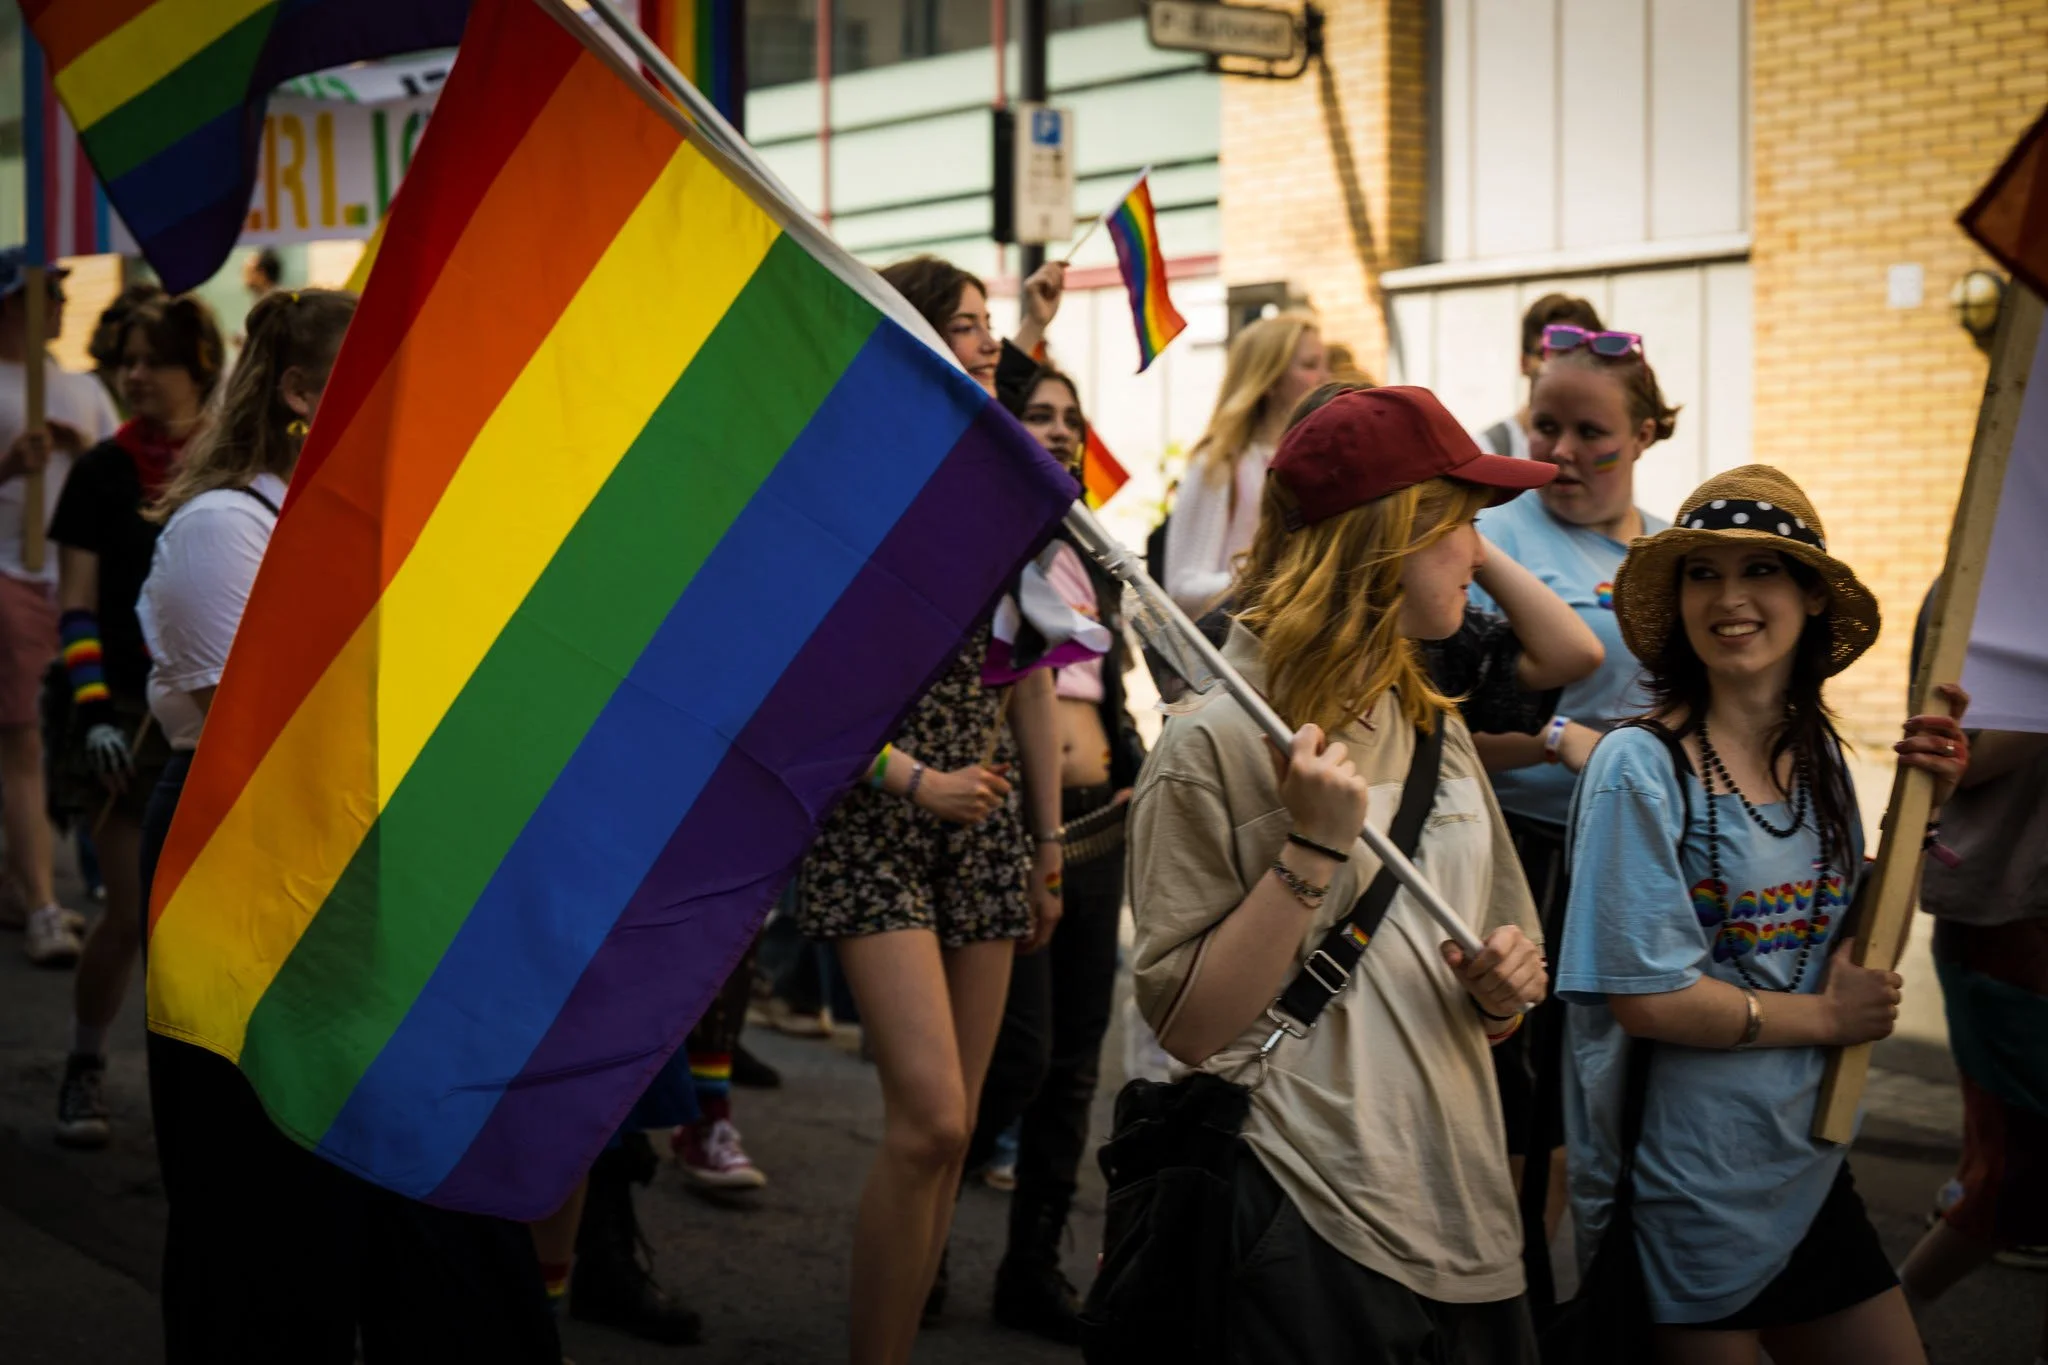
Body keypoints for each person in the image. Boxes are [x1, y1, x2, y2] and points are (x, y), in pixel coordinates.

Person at [136, 288, 560, 1363]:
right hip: (255, 867)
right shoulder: (223, 527)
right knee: (267, 1210)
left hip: (383, 862)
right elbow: (277, 735)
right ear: (298, 393)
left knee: (427, 1198)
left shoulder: (386, 521)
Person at [1128, 385, 1553, 1363]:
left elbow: (1505, 966)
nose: (1479, 554)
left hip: (1465, 1217)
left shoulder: (1431, 719)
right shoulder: (1214, 747)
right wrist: (1310, 851)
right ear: (1384, 540)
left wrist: (1503, 989)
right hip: (1302, 1210)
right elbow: (1188, 1027)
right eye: (1457, 526)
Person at [1558, 465, 1969, 1363]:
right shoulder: (1640, 766)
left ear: (1812, 596)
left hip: (1807, 1162)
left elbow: (1855, 954)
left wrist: (1919, 814)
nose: (1729, 597)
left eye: (1761, 570)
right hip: (1683, 1190)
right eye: (1702, 572)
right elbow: (1647, 997)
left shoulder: (1816, 751)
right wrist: (1826, 1018)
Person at [797, 253, 1065, 1365]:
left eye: (990, 322)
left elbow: (1032, 672)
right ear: (909, 341)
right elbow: (802, 684)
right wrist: (917, 781)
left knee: (947, 1145)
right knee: (936, 1119)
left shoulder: (999, 487)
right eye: (964, 325)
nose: (988, 341)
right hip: (881, 818)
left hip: (990, 820)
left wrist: (1047, 838)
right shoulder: (852, 487)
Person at [1466, 323, 1676, 1281]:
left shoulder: (1676, 554)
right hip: (1516, 849)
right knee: (1521, 1100)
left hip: (1633, 860)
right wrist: (1557, 740)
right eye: (1543, 424)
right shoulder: (1496, 536)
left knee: (1613, 1103)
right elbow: (1435, 725)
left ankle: (1578, 1299)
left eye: (1591, 431)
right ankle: (1517, 1298)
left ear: (1645, 433)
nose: (1560, 452)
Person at [967, 363, 1146, 1341]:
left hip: (1097, 820)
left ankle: (1028, 1268)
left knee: (1078, 1059)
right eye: (1039, 415)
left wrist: (1127, 765)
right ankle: (923, 1219)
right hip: (1010, 819)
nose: (1061, 431)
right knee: (1016, 1059)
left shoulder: (1087, 549)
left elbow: (1107, 684)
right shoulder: (989, 540)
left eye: (1072, 419)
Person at [50, 294, 223, 1148]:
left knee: (199, 929)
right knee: (129, 914)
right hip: (117, 715)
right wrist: (92, 717)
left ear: (201, 369)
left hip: (212, 713)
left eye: (154, 359)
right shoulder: (99, 472)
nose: (134, 375)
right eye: (126, 359)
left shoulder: (229, 468)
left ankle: (199, 1104)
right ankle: (86, 1065)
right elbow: (74, 608)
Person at [1897, 593, 2048, 1350]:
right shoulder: (1997, 568)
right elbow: (1952, 747)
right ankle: (1885, 1314)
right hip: (2011, 916)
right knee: (2016, 1174)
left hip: (2011, 910)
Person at [0, 247, 119, 962]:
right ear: (14, 302)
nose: (66, 302)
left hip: (71, 586)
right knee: (22, 745)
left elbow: (117, 470)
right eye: (51, 291)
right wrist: (11, 466)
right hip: (8, 575)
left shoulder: (82, 388)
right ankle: (44, 904)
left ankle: (34, 885)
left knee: (69, 743)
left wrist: (81, 451)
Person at [1160, 311, 1329, 617]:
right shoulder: (1221, 462)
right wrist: (1272, 574)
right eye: (1309, 365)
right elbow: (1183, 587)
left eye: (1323, 364)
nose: (1324, 378)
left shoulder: (1318, 460)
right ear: (1269, 379)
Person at [1475, 293, 1604, 460]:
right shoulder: (1488, 451)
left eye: (1578, 355)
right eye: (1550, 353)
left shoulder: (1602, 448)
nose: (1564, 367)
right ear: (1524, 363)